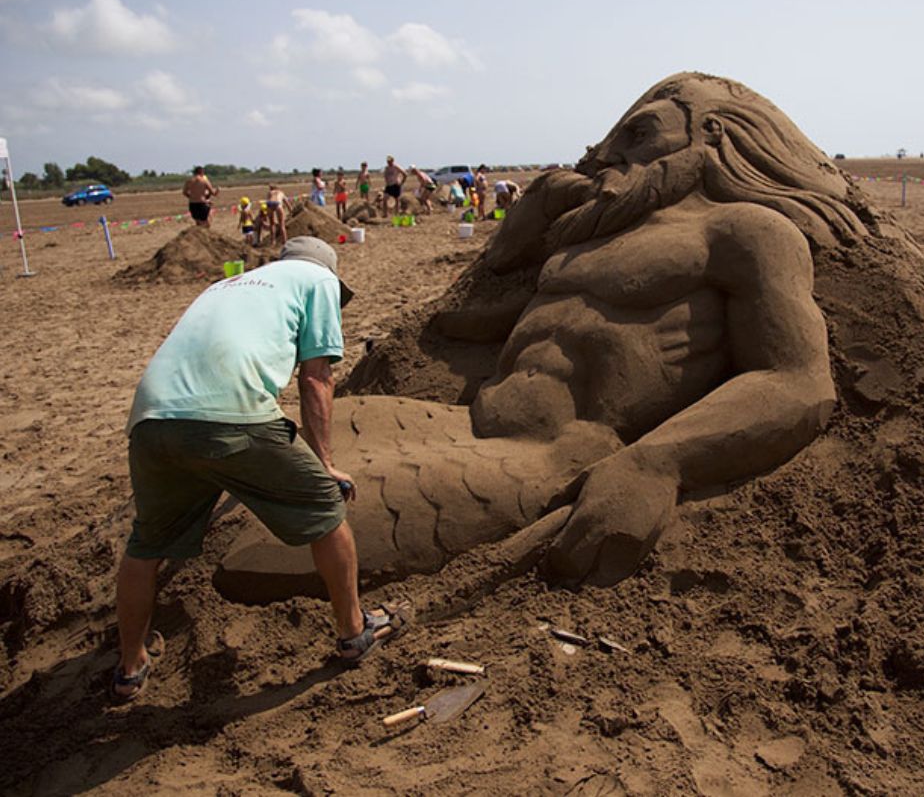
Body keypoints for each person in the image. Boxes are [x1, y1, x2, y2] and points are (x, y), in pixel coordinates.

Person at [221, 72, 855, 597]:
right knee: (258, 454)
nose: (613, 155)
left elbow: (797, 379)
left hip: (555, 454)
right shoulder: (597, 231)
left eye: (640, 133)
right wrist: (546, 196)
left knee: (273, 538)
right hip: (466, 422)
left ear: (709, 135)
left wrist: (657, 464)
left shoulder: (746, 231)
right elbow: (501, 266)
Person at [112, 237, 405, 701]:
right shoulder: (318, 281)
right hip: (230, 413)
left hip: (150, 419)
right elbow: (316, 377)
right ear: (328, 272)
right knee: (326, 505)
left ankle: (131, 666)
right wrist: (324, 462)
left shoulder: (226, 285)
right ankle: (355, 632)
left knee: (146, 543)